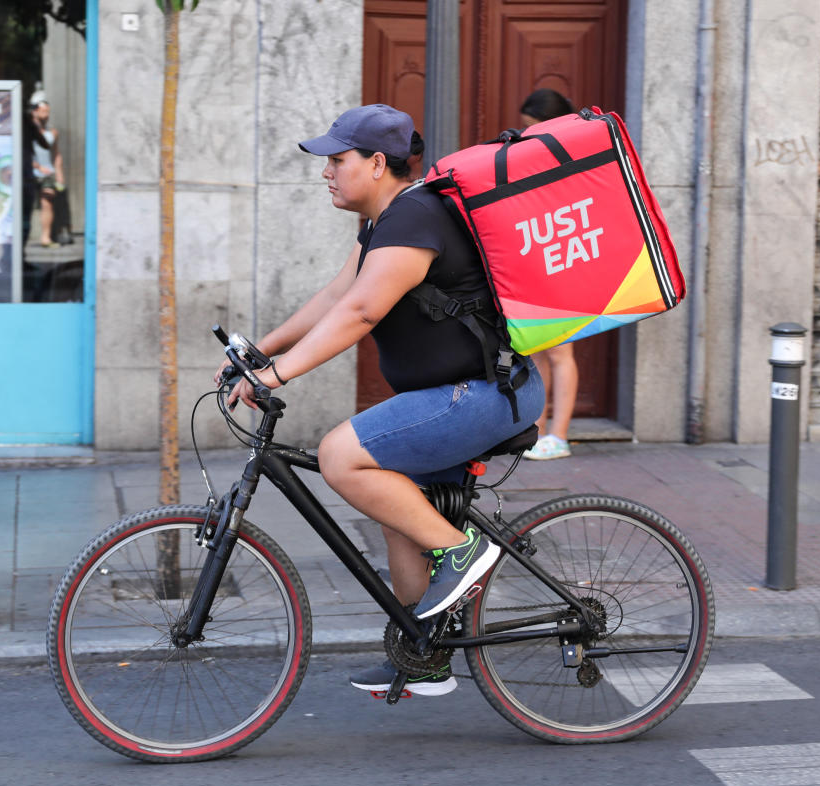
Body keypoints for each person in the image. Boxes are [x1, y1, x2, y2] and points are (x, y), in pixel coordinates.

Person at [216, 104, 544, 696]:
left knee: (341, 456)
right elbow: (338, 295)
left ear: (374, 163)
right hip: (453, 394)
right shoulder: (382, 223)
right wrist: (260, 351)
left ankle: (463, 551)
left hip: (483, 395)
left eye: (337, 161)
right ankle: (425, 657)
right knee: (396, 510)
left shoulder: (416, 217)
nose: (326, 172)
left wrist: (278, 376)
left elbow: (363, 312)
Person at [517, 89, 578, 461]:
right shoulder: (547, 153)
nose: (524, 135)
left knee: (561, 351)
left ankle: (560, 435)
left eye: (530, 128)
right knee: (541, 349)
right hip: (545, 258)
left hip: (565, 259)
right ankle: (542, 431)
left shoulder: (567, 153)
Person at [30, 95, 64, 247]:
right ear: (35, 111)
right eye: (43, 111)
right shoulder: (27, 130)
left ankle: (46, 237)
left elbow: (56, 154)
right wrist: (36, 166)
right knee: (27, 205)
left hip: (47, 172)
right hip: (30, 171)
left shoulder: (52, 132)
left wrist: (59, 174)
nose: (46, 114)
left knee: (47, 203)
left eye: (48, 111)